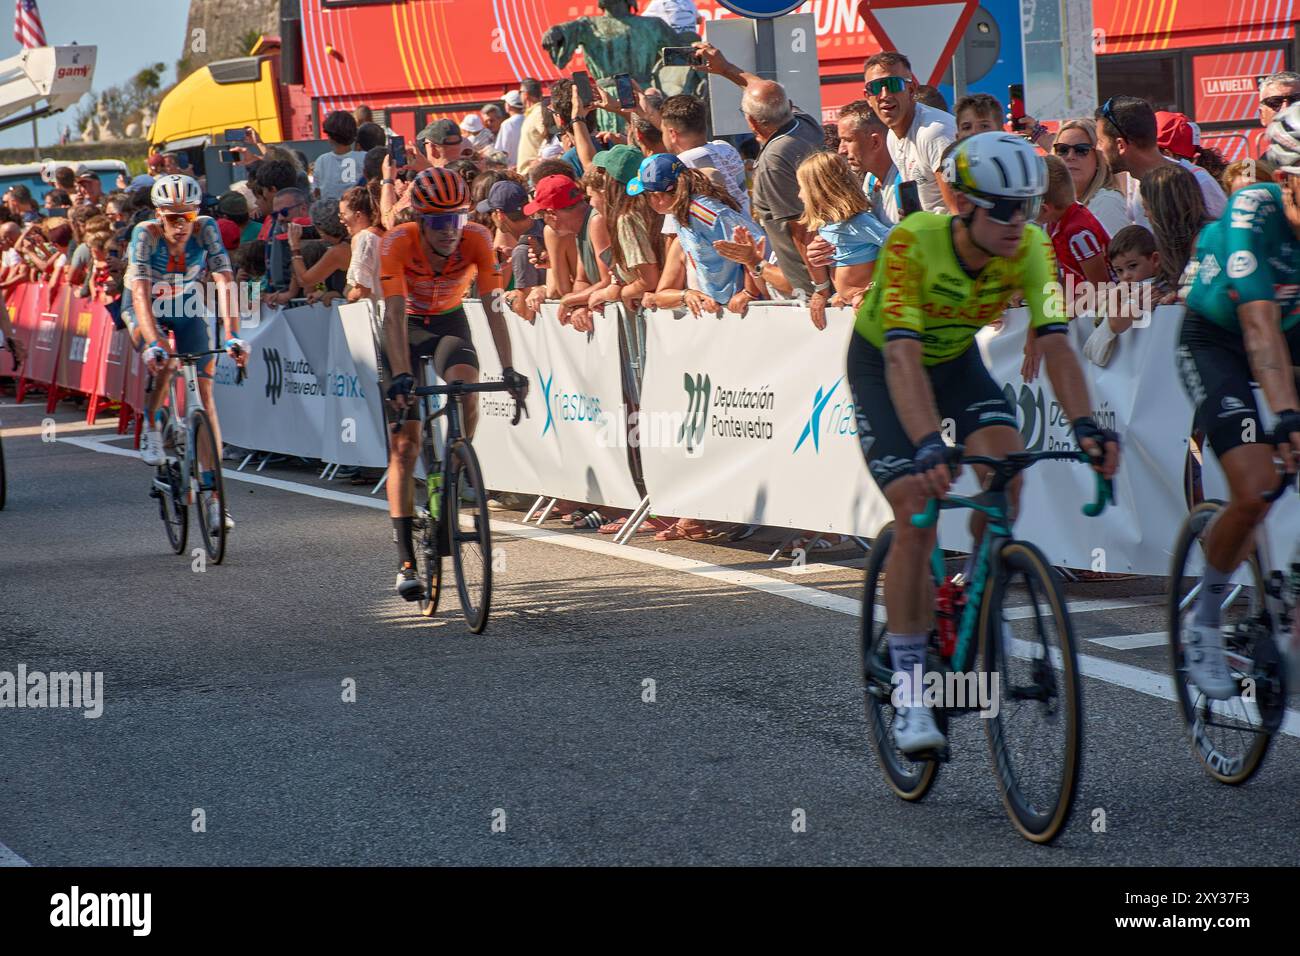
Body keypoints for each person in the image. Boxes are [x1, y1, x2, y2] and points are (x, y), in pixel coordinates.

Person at [846, 133, 1119, 752]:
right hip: (888, 365)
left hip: (956, 364)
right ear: (965, 203)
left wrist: (1085, 427)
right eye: (1001, 207)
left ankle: (970, 587)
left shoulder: (1029, 248)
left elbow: (1055, 342)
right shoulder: (916, 243)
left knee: (1008, 470)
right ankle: (914, 688)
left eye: (1025, 205)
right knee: (916, 509)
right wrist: (924, 443)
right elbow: (903, 359)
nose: (1015, 221)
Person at [1175, 102, 1300, 700]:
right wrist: (1288, 418)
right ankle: (1204, 621)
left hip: (1291, 339)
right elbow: (1259, 333)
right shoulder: (1252, 214)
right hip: (1219, 338)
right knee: (1253, 487)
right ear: (1286, 179)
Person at [378, 167, 528, 600]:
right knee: (404, 444)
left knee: (466, 384)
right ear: (421, 221)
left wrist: (510, 369)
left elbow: (494, 308)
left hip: (447, 320)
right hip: (404, 325)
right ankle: (406, 556)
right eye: (441, 223)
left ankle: (457, 459)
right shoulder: (397, 243)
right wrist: (403, 376)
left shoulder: (478, 240)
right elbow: (390, 315)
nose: (450, 232)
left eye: (457, 220)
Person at [124, 175, 248, 528]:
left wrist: (234, 335)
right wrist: (151, 344)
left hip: (185, 305)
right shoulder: (145, 235)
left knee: (206, 398)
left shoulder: (206, 229)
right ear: (158, 214)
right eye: (171, 217)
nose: (180, 225)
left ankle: (214, 500)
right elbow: (139, 295)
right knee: (162, 354)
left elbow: (225, 282)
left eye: (187, 217)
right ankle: (151, 425)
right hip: (145, 307)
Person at [693, 41, 822, 295]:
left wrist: (820, 289)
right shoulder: (806, 125)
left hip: (804, 288)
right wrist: (726, 68)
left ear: (752, 123)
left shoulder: (773, 162)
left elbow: (800, 229)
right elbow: (767, 94)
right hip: (820, 275)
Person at [628, 153, 763, 314]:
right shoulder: (682, 213)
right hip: (726, 310)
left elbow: (757, 243)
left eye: (645, 195)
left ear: (657, 196)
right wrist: (687, 294)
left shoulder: (705, 212)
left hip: (747, 310)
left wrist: (749, 292)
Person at [1094, 96, 1226, 227]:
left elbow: (1219, 243)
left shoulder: (1199, 182)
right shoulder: (1135, 183)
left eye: (1100, 141)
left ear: (1121, 145)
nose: (1097, 148)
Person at [863, 51, 959, 214]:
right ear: (868, 98)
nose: (885, 95)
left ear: (911, 90)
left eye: (894, 84)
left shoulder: (934, 133)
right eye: (876, 87)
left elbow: (959, 211)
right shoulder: (892, 137)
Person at [795, 151, 887, 321]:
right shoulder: (826, 227)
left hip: (874, 308)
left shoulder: (859, 222)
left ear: (819, 191)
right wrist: (841, 294)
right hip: (854, 308)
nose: (799, 195)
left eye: (802, 188)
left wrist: (874, 289)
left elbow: (898, 246)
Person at [1039, 154, 1111, 290]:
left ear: (1045, 208)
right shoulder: (1055, 221)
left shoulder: (1078, 234)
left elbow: (1102, 288)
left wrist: (1069, 308)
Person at [1051, 119, 1129, 237]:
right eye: (1062, 149)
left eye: (1081, 150)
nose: (1070, 156)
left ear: (1098, 159)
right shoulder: (1050, 206)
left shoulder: (1107, 202)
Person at [1139, 162, 1207, 295]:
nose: (1145, 214)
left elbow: (1190, 291)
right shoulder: (1174, 247)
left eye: (1147, 208)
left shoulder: (1204, 242)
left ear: (1164, 210)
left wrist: (1175, 296)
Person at [837, 100, 900, 225]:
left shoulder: (905, 182)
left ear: (875, 142)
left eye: (848, 140)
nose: (841, 150)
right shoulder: (870, 179)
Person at [287, 198, 351, 305]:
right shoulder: (348, 243)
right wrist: (324, 293)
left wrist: (294, 247)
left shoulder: (338, 251)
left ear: (320, 229)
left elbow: (304, 280)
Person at [314, 110, 368, 202]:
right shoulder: (365, 158)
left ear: (330, 136)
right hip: (356, 210)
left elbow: (316, 192)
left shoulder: (321, 161)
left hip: (328, 211)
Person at [516, 78, 549, 172]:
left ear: (526, 94)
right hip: (528, 172)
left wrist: (540, 160)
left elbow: (551, 138)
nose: (520, 95)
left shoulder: (538, 112)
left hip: (533, 172)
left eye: (520, 92)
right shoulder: (533, 113)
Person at [496, 90, 527, 167]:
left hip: (512, 168)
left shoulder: (507, 124)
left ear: (508, 105)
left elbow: (502, 151)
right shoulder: (529, 119)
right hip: (528, 166)